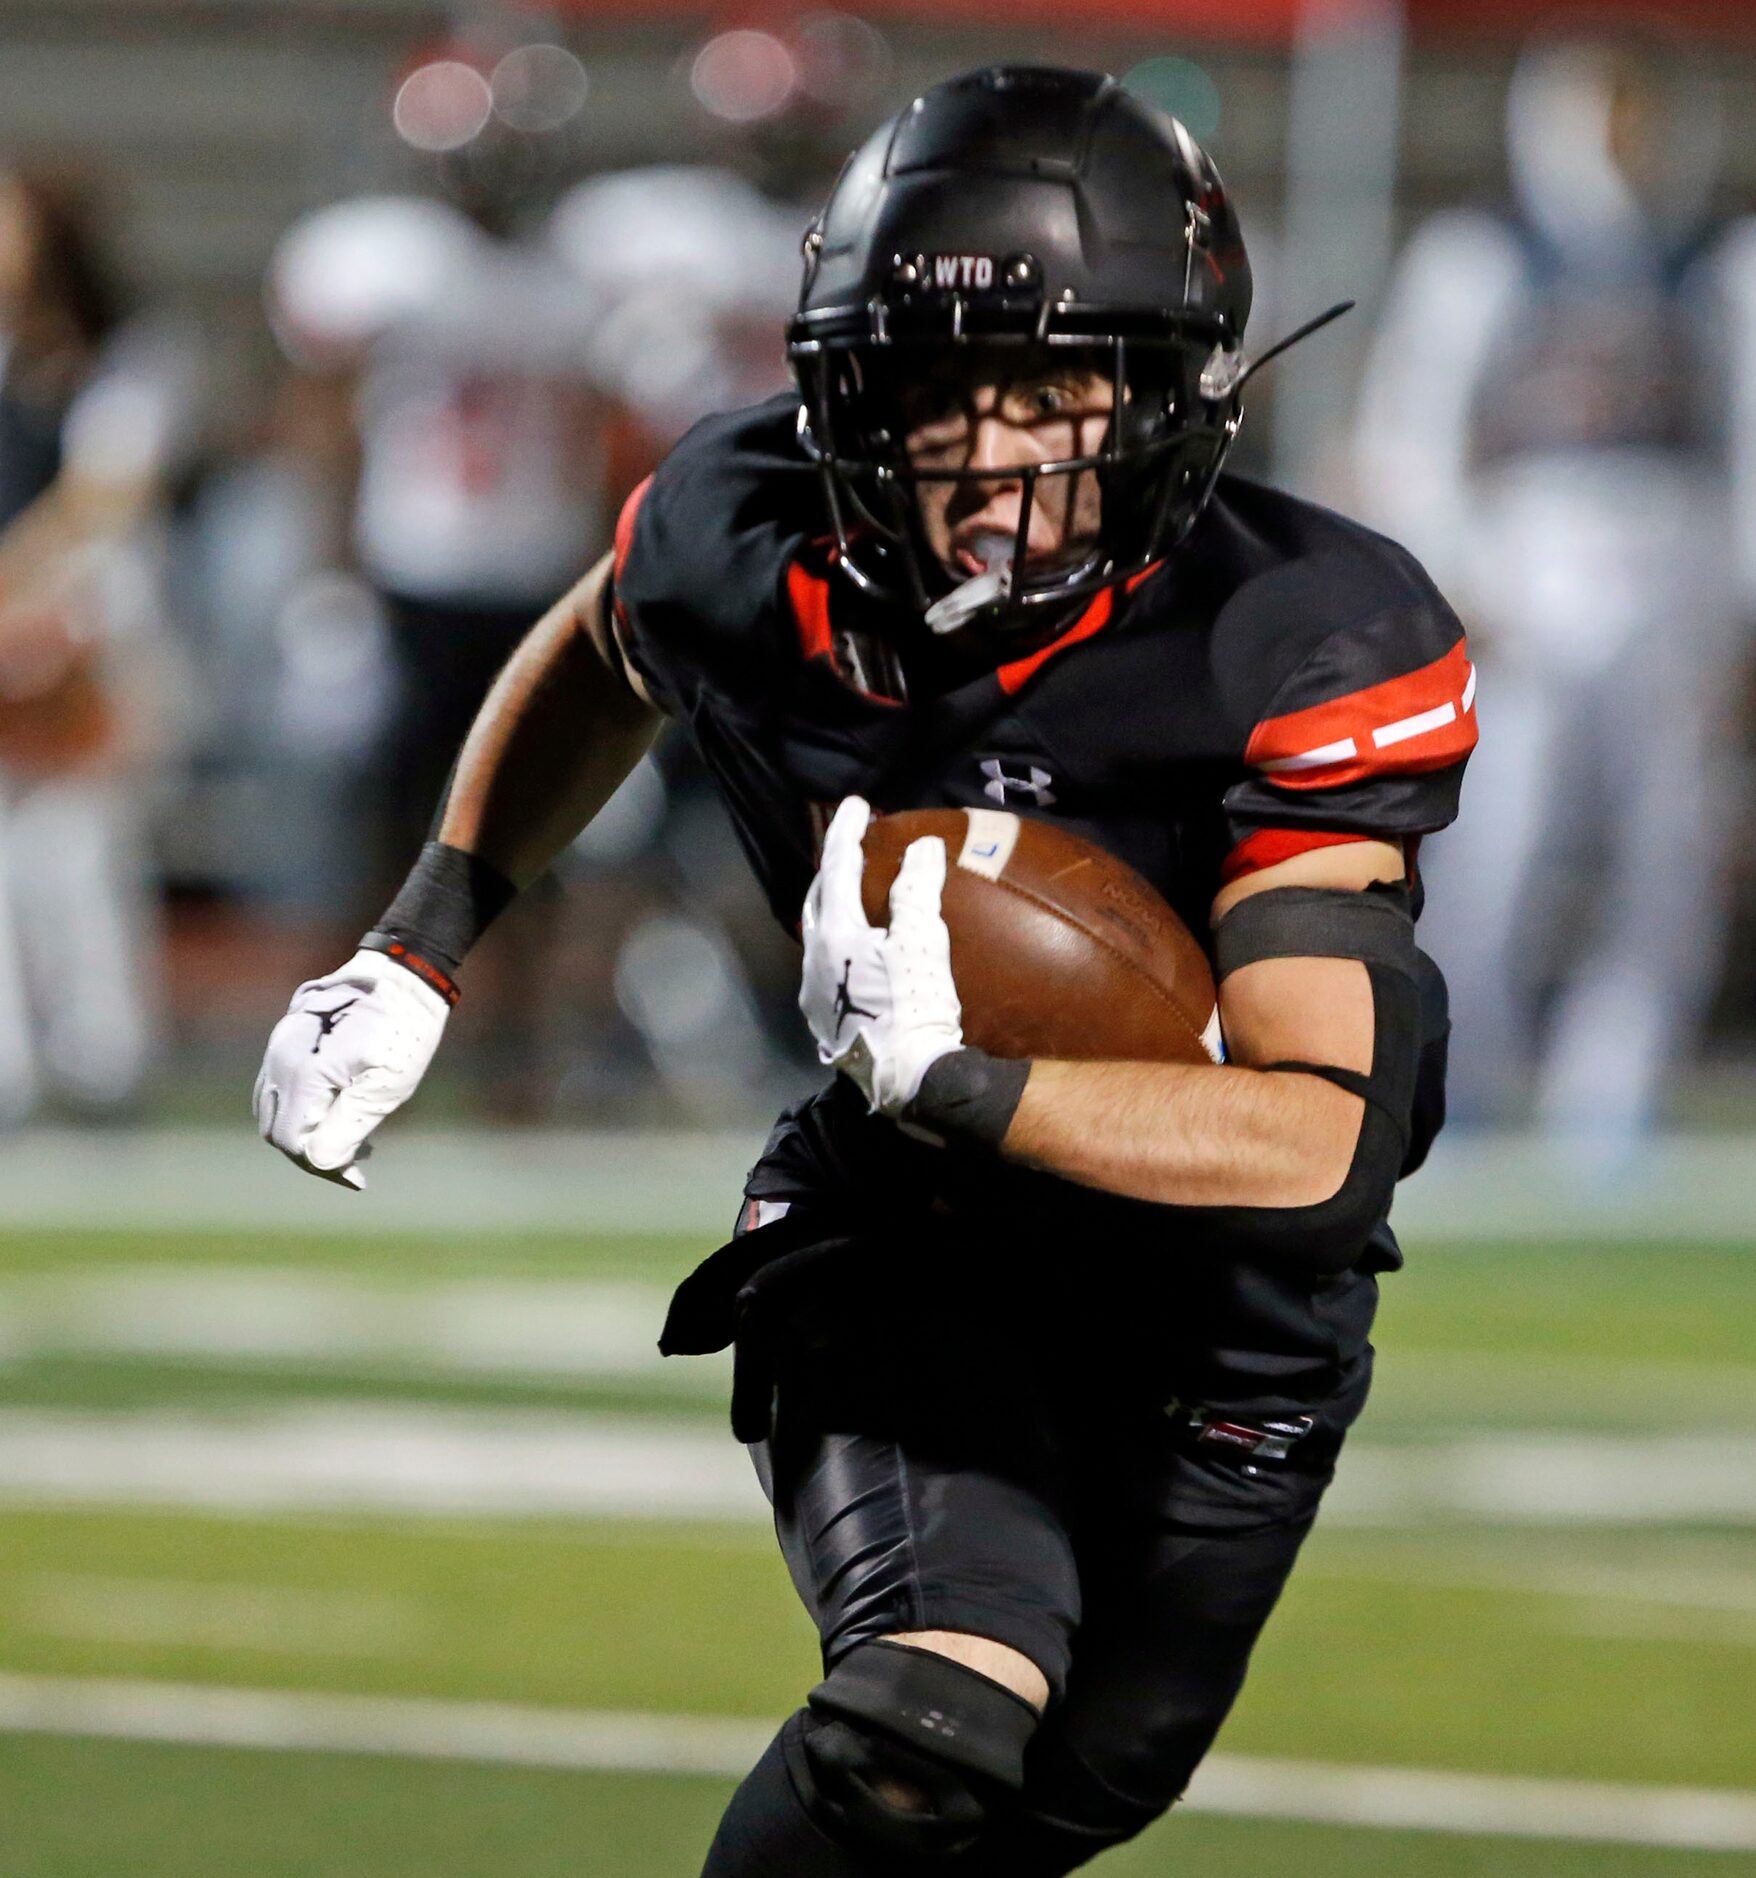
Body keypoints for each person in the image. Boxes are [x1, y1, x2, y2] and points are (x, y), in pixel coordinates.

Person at [255, 69, 1474, 1873]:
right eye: (931, 389)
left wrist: (967, 1074)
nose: (984, 449)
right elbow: (609, 640)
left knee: (1052, 1798)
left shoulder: (1292, 635)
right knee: (929, 1716)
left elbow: (1313, 1137)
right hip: (903, 1229)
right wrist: (425, 940)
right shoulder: (748, 529)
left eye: (1050, 388)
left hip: (1220, 1307)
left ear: (1170, 393)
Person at [1354, 23, 1755, 1156]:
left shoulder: (1719, 264)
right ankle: (1464, 1068)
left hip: (1674, 569)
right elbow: (1414, 426)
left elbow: (1746, 445)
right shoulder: (1481, 254)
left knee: (1667, 847)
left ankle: (1612, 1086)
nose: (1623, 141)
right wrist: (1452, 578)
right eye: (1601, 114)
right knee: (1501, 837)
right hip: (1527, 571)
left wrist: (1739, 615)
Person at [0, 168, 191, 1122]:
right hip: (13, 625)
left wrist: (16, 591)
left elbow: (102, 506)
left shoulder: (134, 363)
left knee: (80, 848)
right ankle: (17, 1068)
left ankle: (104, 1063)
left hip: (100, 629)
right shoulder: (9, 366)